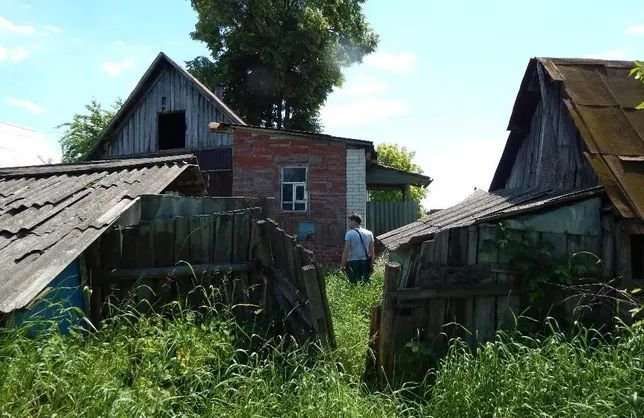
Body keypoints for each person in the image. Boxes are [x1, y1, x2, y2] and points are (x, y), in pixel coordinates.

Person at [341, 213, 375, 283]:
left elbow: (346, 251)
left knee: (354, 283)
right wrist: (372, 264)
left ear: (354, 221)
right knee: (365, 283)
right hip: (365, 262)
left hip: (353, 262)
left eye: (349, 221)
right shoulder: (369, 233)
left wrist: (343, 265)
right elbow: (372, 251)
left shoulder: (349, 233)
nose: (349, 224)